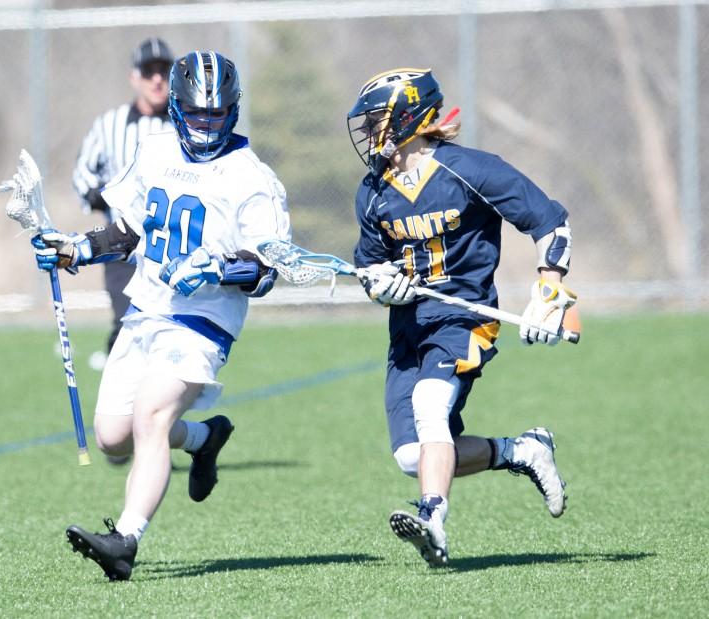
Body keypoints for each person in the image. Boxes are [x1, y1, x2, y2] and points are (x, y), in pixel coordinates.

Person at [31, 50, 290, 581]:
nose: (205, 125)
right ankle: (203, 438)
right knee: (112, 437)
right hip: (146, 309)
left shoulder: (251, 178)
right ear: (175, 107)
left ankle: (124, 541)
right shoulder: (153, 151)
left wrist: (218, 268)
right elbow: (128, 232)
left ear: (233, 112)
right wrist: (74, 249)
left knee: (151, 415)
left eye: (216, 115)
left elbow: (266, 271)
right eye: (196, 113)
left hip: (202, 323)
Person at [346, 68, 575, 567]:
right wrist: (380, 285)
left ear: (407, 116)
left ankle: (433, 520)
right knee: (413, 456)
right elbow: (370, 266)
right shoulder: (374, 191)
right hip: (409, 326)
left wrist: (549, 291)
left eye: (376, 121)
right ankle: (521, 451)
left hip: (463, 317)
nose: (368, 134)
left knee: (431, 406)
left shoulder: (469, 169)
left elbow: (550, 221)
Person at [71, 37, 174, 373]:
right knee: (128, 324)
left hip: (172, 247)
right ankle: (124, 410)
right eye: (149, 72)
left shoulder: (185, 124)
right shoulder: (110, 124)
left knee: (169, 332)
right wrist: (108, 194)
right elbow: (83, 175)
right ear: (135, 77)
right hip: (123, 248)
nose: (157, 79)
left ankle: (163, 416)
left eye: (164, 71)